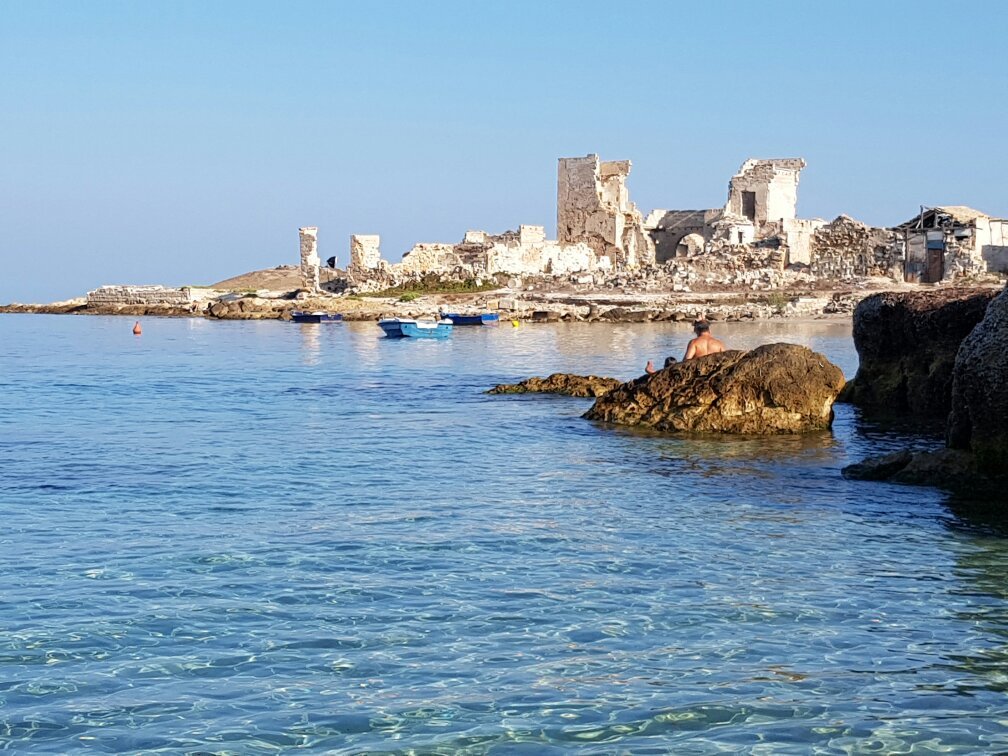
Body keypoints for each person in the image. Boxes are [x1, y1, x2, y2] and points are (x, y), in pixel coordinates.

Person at [645, 319, 724, 373]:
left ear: (696, 330)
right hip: (713, 371)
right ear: (709, 330)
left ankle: (656, 373)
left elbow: (686, 360)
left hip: (698, 372)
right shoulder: (719, 343)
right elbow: (725, 360)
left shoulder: (694, 342)